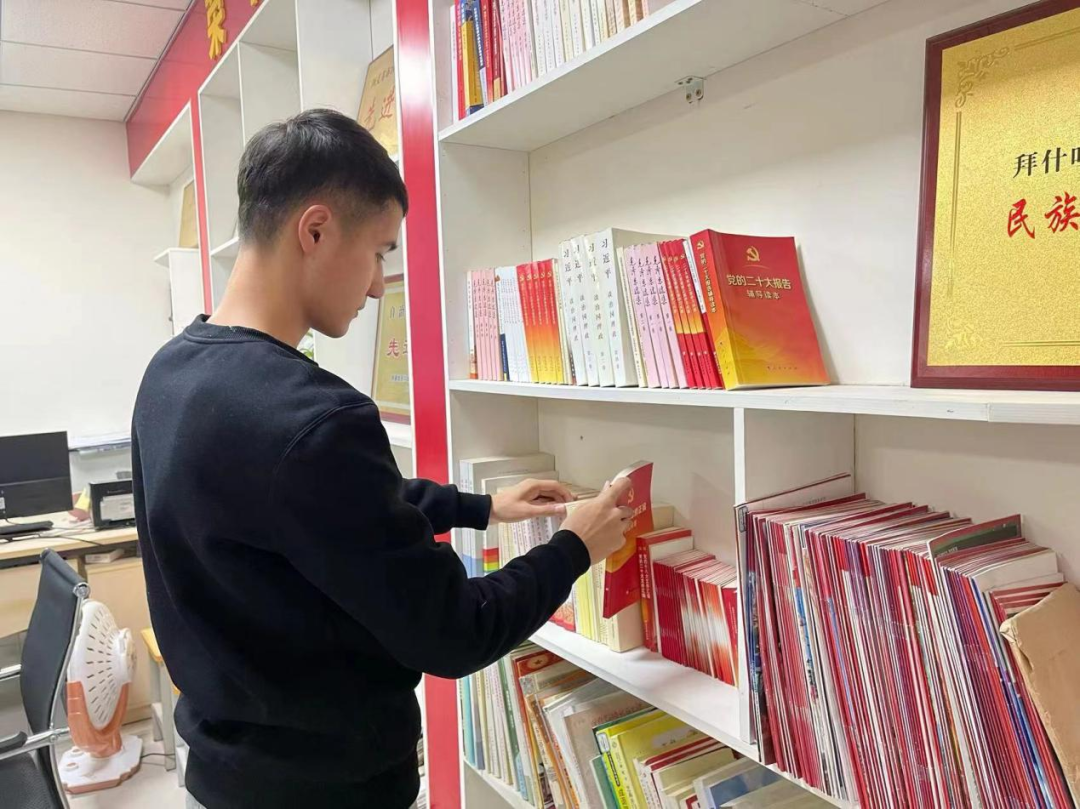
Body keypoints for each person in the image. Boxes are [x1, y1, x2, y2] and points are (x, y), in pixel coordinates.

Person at [131, 109, 632, 809]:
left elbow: (315, 511)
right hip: (328, 794)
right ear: (314, 230)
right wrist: (574, 547)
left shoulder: (170, 373)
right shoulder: (315, 419)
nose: (377, 286)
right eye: (378, 252)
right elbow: (454, 632)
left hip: (221, 777)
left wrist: (483, 506)